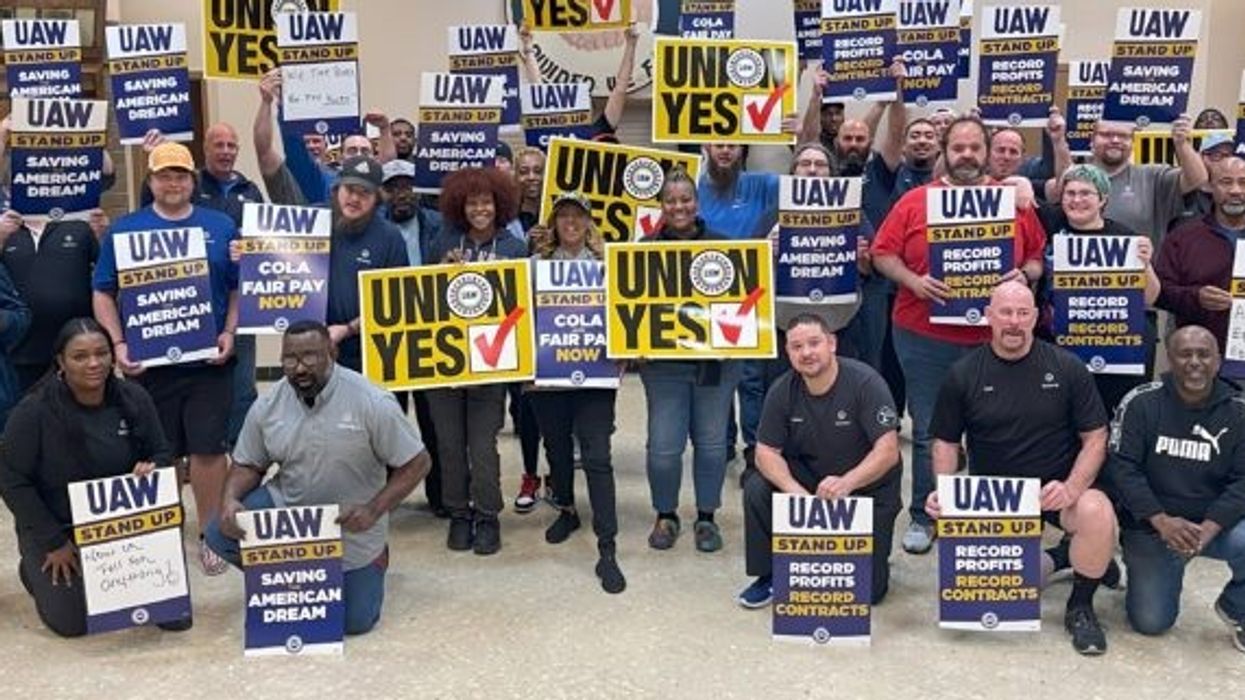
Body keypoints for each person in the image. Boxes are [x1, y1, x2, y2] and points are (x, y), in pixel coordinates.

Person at [871, 116, 1048, 554]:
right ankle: (923, 514)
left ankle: (986, 516)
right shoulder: (915, 201)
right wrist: (912, 281)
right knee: (931, 431)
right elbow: (881, 253)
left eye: (975, 147)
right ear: (944, 153)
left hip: (994, 341)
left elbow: (1038, 258)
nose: (967, 155)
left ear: (986, 151)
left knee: (1000, 429)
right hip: (922, 336)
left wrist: (1023, 275)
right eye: (958, 148)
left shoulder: (1013, 203)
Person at [926, 282, 1117, 656]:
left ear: (1035, 317)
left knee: (1097, 512)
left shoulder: (1066, 367)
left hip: (1054, 491)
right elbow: (945, 442)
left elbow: (1096, 436)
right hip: (995, 501)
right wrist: (945, 493)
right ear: (989, 316)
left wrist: (1073, 487)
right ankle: (1063, 557)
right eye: (1005, 313)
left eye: (1022, 313)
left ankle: (1081, 606)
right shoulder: (963, 374)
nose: (1014, 322)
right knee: (997, 594)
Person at [206, 321, 431, 636]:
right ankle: (289, 575)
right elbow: (248, 464)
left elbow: (417, 463)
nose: (299, 368)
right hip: (291, 512)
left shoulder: (372, 401)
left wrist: (374, 510)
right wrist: (229, 499)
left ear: (332, 352)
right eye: (289, 359)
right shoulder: (268, 405)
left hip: (352, 522)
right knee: (219, 532)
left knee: (355, 622)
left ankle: (376, 557)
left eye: (310, 357)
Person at [92, 142, 240, 576]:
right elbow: (103, 291)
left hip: (208, 364)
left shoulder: (220, 225)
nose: (172, 183)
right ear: (150, 181)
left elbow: (237, 287)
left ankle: (211, 534)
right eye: (163, 176)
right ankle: (163, 535)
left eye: (180, 176)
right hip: (148, 365)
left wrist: (229, 332)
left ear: (192, 181)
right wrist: (117, 344)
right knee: (160, 454)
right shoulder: (125, 231)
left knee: (208, 450)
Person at [0, 318, 184, 637]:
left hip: (120, 526)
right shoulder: (33, 411)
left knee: (173, 619)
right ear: (61, 361)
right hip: (57, 527)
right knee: (73, 625)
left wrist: (152, 466)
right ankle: (32, 569)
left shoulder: (134, 398)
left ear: (113, 356)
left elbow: (162, 453)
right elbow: (11, 480)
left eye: (102, 353)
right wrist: (52, 541)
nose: (93, 363)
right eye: (80, 356)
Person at [738, 314, 902, 608]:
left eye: (814, 343)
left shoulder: (866, 382)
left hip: (866, 489)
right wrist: (794, 492)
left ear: (832, 343)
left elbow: (888, 450)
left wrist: (847, 482)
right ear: (788, 353)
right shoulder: (782, 389)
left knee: (868, 593)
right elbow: (765, 452)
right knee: (756, 486)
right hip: (811, 481)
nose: (806, 353)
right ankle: (770, 574)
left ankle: (869, 557)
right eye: (797, 346)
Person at [1108, 325, 1245, 652]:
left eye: (1204, 354)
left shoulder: (1239, 410)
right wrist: (1161, 521)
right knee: (1151, 623)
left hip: (1212, 526)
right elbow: (1123, 468)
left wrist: (1210, 528)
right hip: (1153, 527)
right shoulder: (1141, 402)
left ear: (1218, 361)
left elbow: (1243, 480)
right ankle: (1150, 572)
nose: (1194, 362)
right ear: (1169, 359)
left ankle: (1236, 606)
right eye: (1185, 353)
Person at [138, 124, 265, 448]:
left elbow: (265, 242)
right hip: (182, 305)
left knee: (242, 384)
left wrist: (248, 250)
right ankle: (188, 450)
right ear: (205, 150)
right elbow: (153, 213)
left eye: (231, 145)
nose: (225, 150)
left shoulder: (250, 191)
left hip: (237, 302)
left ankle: (237, 449)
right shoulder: (190, 187)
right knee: (186, 387)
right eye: (218, 144)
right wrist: (156, 160)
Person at [524, 191, 625, 593]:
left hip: (596, 375)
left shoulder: (608, 266)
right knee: (557, 450)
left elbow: (627, 312)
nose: (570, 223)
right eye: (563, 216)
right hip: (548, 376)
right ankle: (566, 508)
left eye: (577, 216)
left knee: (598, 457)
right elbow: (519, 316)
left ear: (588, 222)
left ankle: (607, 545)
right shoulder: (534, 267)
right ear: (553, 223)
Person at [427, 167, 528, 555]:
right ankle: (458, 513)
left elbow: (521, 309)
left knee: (483, 445)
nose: (479, 208)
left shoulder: (514, 248)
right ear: (460, 206)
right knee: (450, 444)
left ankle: (487, 514)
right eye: (472, 202)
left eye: (486, 201)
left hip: (492, 363)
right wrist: (440, 273)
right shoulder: (443, 241)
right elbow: (424, 298)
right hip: (446, 361)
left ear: (499, 204)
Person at [640, 167, 741, 553]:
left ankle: (706, 518)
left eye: (685, 199)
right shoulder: (643, 251)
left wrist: (743, 338)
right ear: (660, 205)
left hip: (716, 364)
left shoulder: (727, 247)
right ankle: (666, 514)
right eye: (671, 200)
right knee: (664, 449)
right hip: (663, 366)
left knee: (713, 446)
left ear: (697, 202)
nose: (679, 207)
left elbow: (744, 305)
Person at [1037, 164, 1161, 413]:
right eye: (1070, 193)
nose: (1076, 200)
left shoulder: (1124, 238)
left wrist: (1144, 264)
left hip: (1113, 349)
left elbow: (1151, 296)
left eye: (1085, 193)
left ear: (1103, 199)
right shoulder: (1049, 224)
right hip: (1056, 347)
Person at [1045, 116, 1207, 242]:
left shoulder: (1153, 177)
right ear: (1092, 140)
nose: (1115, 140)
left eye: (1123, 136)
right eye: (1106, 134)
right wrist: (1058, 141)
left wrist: (1182, 143)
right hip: (1078, 278)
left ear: (1133, 142)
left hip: (1137, 279)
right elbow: (1063, 180)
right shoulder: (1074, 179)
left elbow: (1198, 179)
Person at [1155, 156, 1245, 379]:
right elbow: (1160, 292)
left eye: (1243, 182)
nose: (1235, 190)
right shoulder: (1183, 237)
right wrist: (1195, 297)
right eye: (1226, 182)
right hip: (1200, 365)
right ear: (1210, 187)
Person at [0, 209, 97, 392]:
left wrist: (102, 235)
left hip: (76, 350)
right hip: (19, 353)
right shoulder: (4, 227)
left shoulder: (79, 224)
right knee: (24, 417)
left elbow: (106, 279)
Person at [508, 146, 549, 510]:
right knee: (525, 410)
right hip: (519, 329)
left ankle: (557, 475)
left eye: (538, 171)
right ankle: (530, 473)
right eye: (525, 171)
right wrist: (527, 249)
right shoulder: (504, 217)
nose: (532, 178)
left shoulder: (562, 212)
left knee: (559, 408)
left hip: (557, 327)